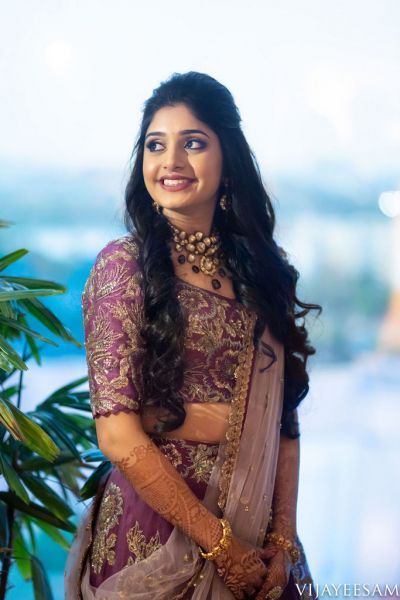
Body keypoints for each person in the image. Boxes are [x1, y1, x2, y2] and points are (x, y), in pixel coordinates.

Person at [64, 71, 321, 599]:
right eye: (156, 145)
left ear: (228, 162)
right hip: (157, 527)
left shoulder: (262, 272)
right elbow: (116, 435)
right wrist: (220, 547)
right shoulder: (124, 266)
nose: (171, 161)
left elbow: (283, 422)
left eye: (194, 143)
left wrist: (283, 538)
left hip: (257, 525)